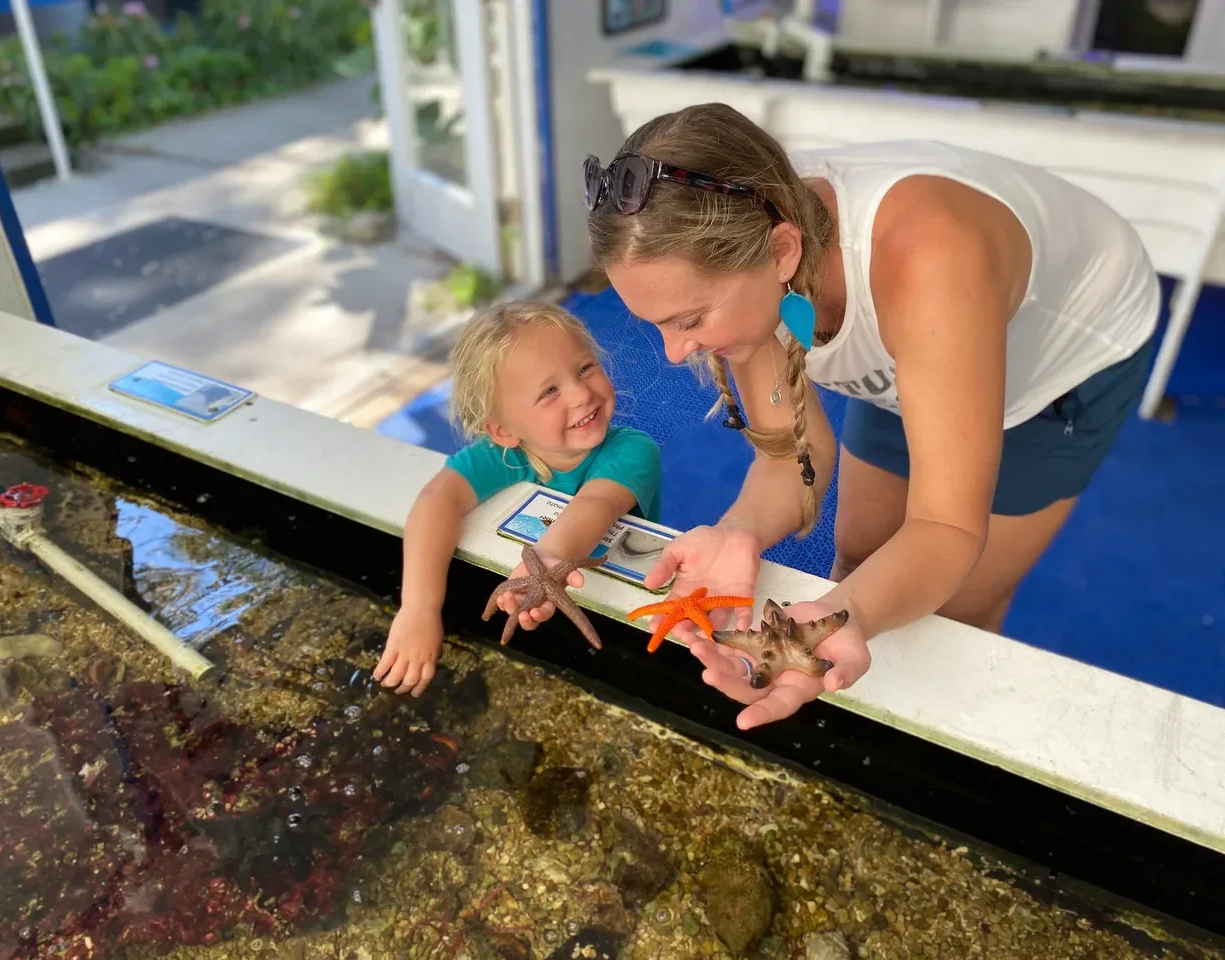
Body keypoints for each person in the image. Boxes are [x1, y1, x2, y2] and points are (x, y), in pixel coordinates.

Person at [585, 103, 1159, 730]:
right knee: (859, 552)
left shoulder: (928, 262)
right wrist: (741, 528)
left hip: (1064, 354)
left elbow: (946, 527)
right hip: (919, 339)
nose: (675, 353)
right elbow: (788, 451)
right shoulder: (748, 232)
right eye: (657, 325)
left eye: (689, 320)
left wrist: (843, 616)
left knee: (956, 610)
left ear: (783, 253)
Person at [375, 300, 662, 696]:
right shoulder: (503, 455)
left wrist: (543, 563)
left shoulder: (633, 451)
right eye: (549, 391)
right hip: (551, 588)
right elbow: (436, 499)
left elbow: (595, 504)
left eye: (584, 368)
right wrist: (419, 609)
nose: (580, 394)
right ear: (504, 430)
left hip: (623, 592)